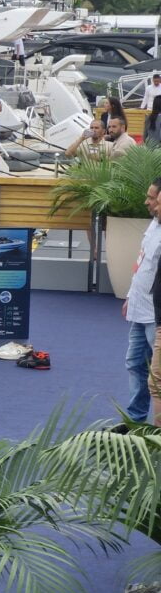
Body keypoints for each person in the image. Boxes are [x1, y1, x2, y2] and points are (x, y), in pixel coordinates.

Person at [128, 179, 161, 423]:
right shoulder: (153, 224)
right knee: (136, 364)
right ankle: (135, 420)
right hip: (139, 308)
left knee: (157, 377)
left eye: (152, 199)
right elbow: (142, 262)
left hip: (156, 315)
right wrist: (130, 295)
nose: (147, 202)